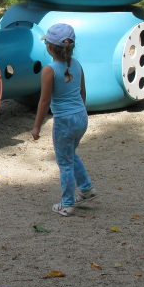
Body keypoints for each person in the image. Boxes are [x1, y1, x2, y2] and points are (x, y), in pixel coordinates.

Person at [31, 23, 96, 216]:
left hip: (64, 122)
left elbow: (44, 101)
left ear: (49, 47)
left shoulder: (49, 70)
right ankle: (86, 189)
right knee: (71, 155)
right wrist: (80, 112)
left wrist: (37, 127)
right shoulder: (77, 65)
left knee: (65, 163)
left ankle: (67, 203)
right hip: (81, 117)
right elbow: (82, 92)